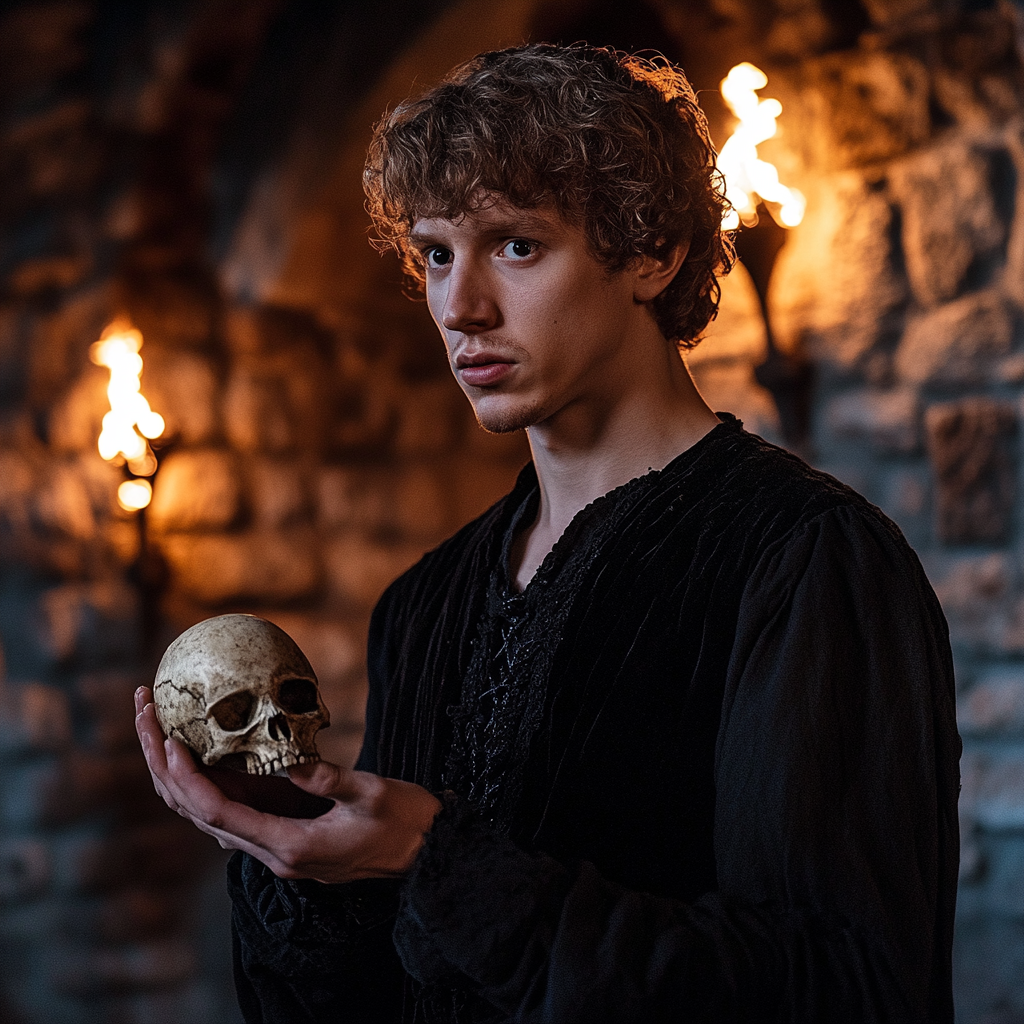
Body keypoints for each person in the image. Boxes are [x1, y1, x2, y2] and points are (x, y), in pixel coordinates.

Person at [135, 43, 961, 1023]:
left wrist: (436, 860)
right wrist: (289, 856)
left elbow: (850, 993)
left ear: (652, 253)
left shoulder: (806, 563)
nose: (457, 305)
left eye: (515, 245)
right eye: (438, 252)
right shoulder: (424, 602)